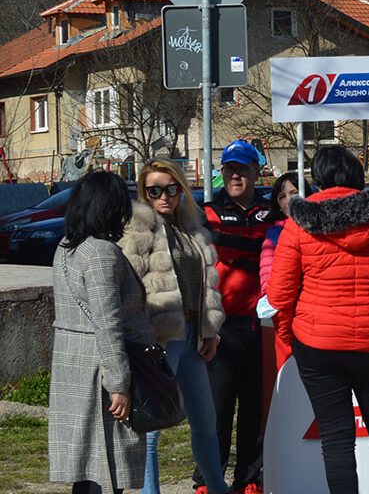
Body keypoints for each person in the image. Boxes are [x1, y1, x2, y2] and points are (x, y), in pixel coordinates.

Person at [267, 145, 369, 494]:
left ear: (318, 179)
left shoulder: (299, 226)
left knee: (336, 441)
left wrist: (290, 337)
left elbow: (278, 296)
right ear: (357, 176)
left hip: (317, 345)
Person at [116, 158, 229, 494]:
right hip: (159, 339)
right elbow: (127, 289)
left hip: (194, 336)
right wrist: (140, 341)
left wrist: (210, 330)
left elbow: (206, 285)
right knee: (153, 425)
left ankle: (217, 488)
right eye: (154, 190)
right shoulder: (136, 230)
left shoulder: (192, 226)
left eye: (170, 189)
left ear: (181, 189)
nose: (163, 197)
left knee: (206, 422)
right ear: (143, 192)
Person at [49, 170, 156, 494]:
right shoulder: (100, 253)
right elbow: (108, 323)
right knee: (107, 469)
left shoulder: (66, 247)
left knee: (88, 468)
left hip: (72, 365)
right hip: (98, 371)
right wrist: (119, 385)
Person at [198, 140, 271, 494]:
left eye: (243, 168)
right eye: (230, 169)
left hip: (261, 327)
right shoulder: (207, 211)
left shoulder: (271, 212)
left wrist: (229, 247)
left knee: (254, 410)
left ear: (256, 172)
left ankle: (250, 479)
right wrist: (253, 249)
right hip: (221, 328)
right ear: (221, 173)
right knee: (217, 411)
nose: (236, 175)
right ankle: (208, 481)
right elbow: (205, 244)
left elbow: (279, 247)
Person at [258, 172, 311, 416]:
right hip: (287, 320)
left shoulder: (322, 229)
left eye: (294, 192)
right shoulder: (274, 236)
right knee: (289, 383)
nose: (289, 199)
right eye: (282, 196)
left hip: (318, 317)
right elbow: (269, 281)